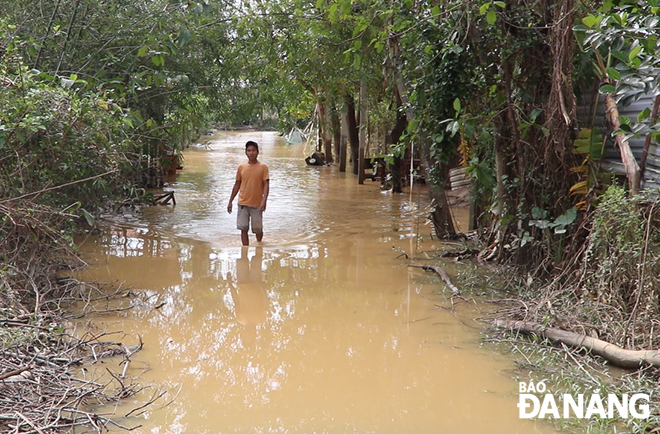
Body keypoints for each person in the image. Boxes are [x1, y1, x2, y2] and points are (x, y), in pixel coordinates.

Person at [227, 141, 270, 246]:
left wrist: (264, 201)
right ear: (246, 152)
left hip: (257, 204)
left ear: (257, 152)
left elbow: (266, 184)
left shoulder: (263, 167)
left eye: (253, 150)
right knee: (243, 229)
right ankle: (245, 251)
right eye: (249, 151)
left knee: (258, 229)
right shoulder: (241, 167)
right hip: (243, 203)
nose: (251, 153)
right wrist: (230, 201)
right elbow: (237, 184)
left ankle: (259, 245)